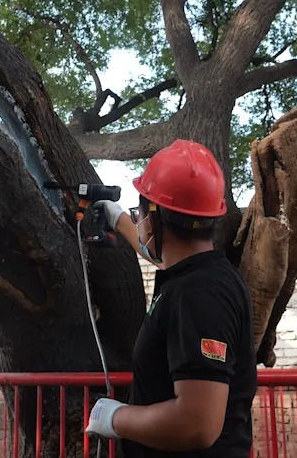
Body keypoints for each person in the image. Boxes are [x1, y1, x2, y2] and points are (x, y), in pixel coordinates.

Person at [85, 139, 257, 458]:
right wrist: (116, 217)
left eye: (139, 214)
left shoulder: (200, 294)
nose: (138, 221)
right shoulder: (200, 274)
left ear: (152, 220)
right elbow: (158, 251)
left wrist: (116, 417)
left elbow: (197, 424)